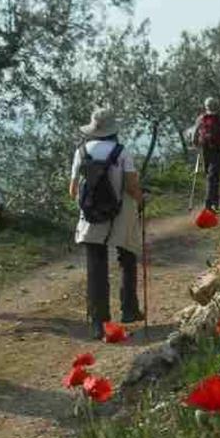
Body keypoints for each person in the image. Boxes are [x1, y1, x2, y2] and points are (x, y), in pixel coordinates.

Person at [69, 108, 145, 341]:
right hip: (121, 212)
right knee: (127, 257)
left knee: (96, 267)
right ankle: (129, 310)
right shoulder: (122, 152)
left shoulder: (81, 152)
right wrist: (142, 200)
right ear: (113, 130)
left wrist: (92, 202)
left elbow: (73, 190)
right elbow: (132, 187)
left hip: (92, 215)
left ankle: (97, 322)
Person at [192, 97, 220, 211]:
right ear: (216, 105)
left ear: (206, 106)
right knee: (214, 176)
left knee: (209, 175)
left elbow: (195, 132)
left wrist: (195, 143)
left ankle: (212, 202)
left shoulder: (201, 118)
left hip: (205, 148)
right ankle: (212, 202)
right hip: (217, 148)